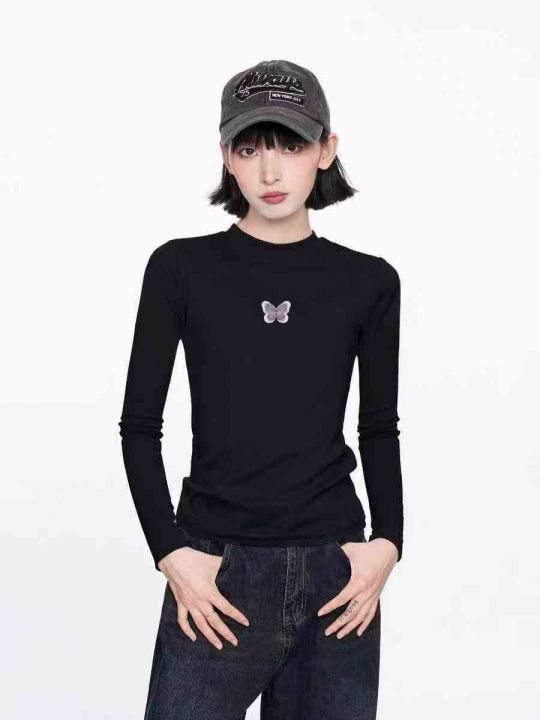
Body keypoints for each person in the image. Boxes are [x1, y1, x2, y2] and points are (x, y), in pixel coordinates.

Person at [118, 58, 404, 720]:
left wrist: (387, 543)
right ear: (226, 157)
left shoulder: (368, 282)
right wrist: (171, 552)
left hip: (336, 574)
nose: (270, 172)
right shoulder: (180, 269)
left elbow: (378, 426)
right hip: (217, 571)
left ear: (326, 149)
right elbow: (139, 426)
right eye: (250, 149)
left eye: (291, 146)